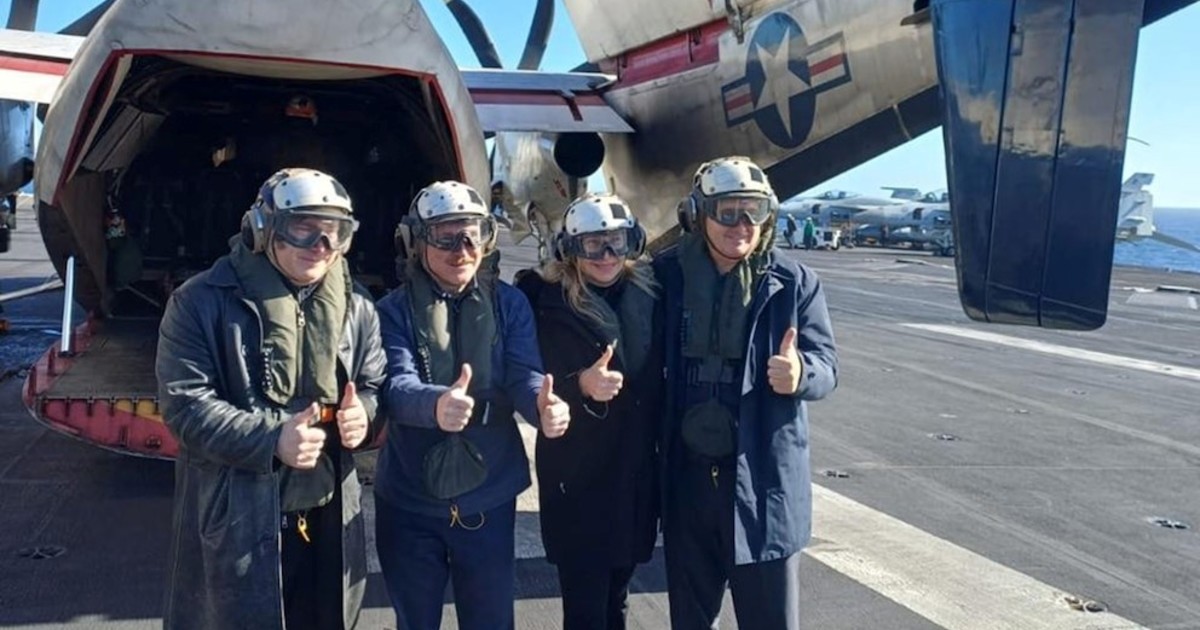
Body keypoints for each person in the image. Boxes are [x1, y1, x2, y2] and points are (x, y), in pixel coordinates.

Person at [156, 168, 387, 630]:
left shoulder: (357, 306)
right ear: (264, 229)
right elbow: (185, 404)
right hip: (239, 509)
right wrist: (272, 440)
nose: (319, 245)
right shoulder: (200, 302)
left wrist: (364, 412)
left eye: (334, 231)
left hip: (327, 505)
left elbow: (373, 382)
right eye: (303, 227)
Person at [373, 180, 571, 630]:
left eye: (473, 234)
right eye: (445, 236)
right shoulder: (393, 311)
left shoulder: (510, 304)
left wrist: (543, 407)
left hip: (489, 496)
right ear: (417, 241)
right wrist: (435, 405)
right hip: (409, 501)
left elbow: (524, 373)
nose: (461, 249)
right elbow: (396, 385)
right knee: (415, 621)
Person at [655, 156, 838, 629]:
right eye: (726, 211)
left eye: (753, 211)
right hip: (688, 483)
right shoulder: (664, 276)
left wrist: (801, 374)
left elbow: (827, 367)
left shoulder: (794, 283)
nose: (742, 224)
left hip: (763, 484)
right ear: (697, 214)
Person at [516, 194, 662, 630]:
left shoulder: (651, 295)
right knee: (584, 609)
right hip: (577, 477)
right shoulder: (543, 301)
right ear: (569, 250)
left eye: (616, 242)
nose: (607, 256)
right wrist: (578, 385)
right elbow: (526, 377)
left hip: (633, 473)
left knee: (617, 600)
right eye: (592, 245)